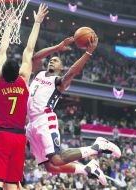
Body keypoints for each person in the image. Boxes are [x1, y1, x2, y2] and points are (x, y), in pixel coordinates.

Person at [26, 35, 121, 186]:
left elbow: (72, 72)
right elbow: (35, 58)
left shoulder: (59, 82)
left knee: (56, 159)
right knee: (50, 167)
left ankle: (97, 146)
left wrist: (88, 53)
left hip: (44, 119)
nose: (52, 60)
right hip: (31, 123)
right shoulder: (39, 74)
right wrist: (57, 47)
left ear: (60, 68)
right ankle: (88, 168)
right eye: (51, 59)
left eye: (56, 60)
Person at [0, 4, 48, 190]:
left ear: (2, 71)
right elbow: (29, 51)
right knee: (12, 183)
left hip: (1, 135)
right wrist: (37, 23)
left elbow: (1, 51)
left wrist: (9, 26)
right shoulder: (24, 79)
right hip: (19, 137)